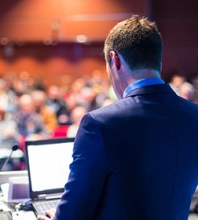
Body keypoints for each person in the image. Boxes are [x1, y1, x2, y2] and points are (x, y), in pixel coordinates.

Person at [38, 15, 198, 220]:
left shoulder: (99, 124)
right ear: (158, 59)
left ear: (114, 60)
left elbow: (73, 215)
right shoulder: (194, 116)